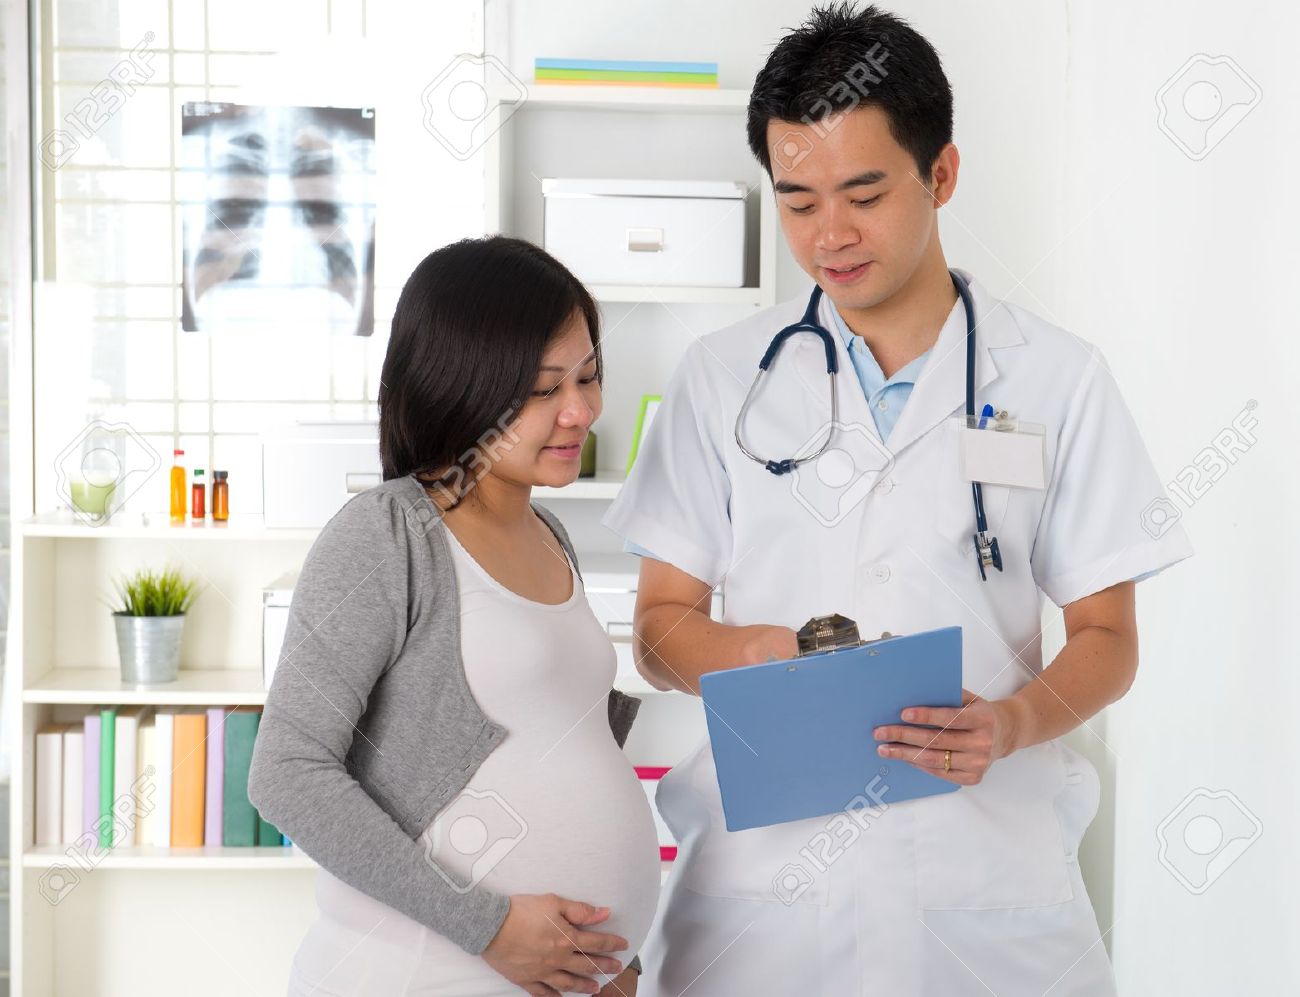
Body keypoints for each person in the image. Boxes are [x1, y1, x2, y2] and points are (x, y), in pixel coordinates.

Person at [602, 4, 1193, 994]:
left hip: (985, 882)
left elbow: (1107, 638)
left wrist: (1011, 723)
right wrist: (756, 654)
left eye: (864, 194)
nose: (829, 236)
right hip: (762, 901)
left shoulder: (1056, 378)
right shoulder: (721, 376)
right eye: (797, 202)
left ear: (941, 174)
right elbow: (660, 633)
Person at [249, 235, 659, 997]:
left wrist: (615, 959)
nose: (580, 411)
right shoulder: (388, 534)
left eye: (588, 376)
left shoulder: (549, 532)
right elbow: (286, 774)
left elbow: (568, 745)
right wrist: (488, 926)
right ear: (461, 385)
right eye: (543, 389)